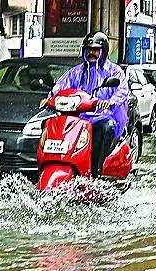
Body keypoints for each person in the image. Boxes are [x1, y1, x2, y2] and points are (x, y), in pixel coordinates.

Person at [50, 32, 129, 176]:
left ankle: (96, 172)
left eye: (95, 50)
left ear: (103, 51)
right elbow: (61, 86)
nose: (91, 53)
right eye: (88, 49)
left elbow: (122, 91)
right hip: (77, 117)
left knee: (107, 127)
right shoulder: (77, 72)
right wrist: (51, 97)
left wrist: (110, 102)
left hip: (102, 116)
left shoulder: (114, 72)